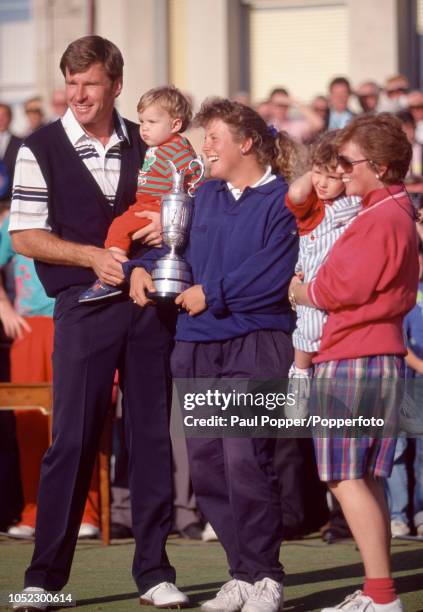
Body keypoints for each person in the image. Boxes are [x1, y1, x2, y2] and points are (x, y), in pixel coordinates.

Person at [9, 35, 187, 610]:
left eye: (90, 83)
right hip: (81, 310)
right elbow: (25, 236)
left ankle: (156, 571)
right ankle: (43, 579)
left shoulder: (151, 142)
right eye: (72, 83)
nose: (79, 94)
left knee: (152, 438)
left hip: (148, 308)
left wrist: (167, 228)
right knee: (73, 440)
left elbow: (186, 204)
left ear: (115, 84)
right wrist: (92, 256)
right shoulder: (38, 146)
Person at [129, 98, 299, 612]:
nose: (204, 147)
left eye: (214, 138)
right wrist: (143, 265)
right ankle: (241, 575)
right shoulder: (201, 195)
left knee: (246, 458)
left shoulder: (283, 200)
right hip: (196, 344)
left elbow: (275, 271)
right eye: (203, 138)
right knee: (206, 468)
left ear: (245, 143)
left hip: (256, 341)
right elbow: (174, 248)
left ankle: (266, 575)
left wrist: (214, 293)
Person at [289, 112, 419, 611]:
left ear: (382, 167)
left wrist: (302, 288)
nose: (341, 170)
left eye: (349, 161)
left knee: (345, 476)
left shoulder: (381, 215)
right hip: (371, 353)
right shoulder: (389, 211)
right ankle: (377, 591)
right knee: (364, 476)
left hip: (356, 354)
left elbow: (338, 287)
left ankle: (380, 595)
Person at [0, 214, 101, 541]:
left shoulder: (76, 204)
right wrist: (4, 308)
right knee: (29, 423)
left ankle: (86, 512)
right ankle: (34, 511)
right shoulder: (13, 220)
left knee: (79, 419)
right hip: (31, 328)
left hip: (78, 318)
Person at [79, 85, 199, 302]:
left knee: (118, 228)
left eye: (152, 122)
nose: (144, 128)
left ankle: (111, 276)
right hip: (144, 203)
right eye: (142, 121)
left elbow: (193, 180)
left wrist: (172, 217)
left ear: (176, 124)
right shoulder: (158, 146)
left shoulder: (177, 147)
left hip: (156, 205)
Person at [285, 130, 361, 400]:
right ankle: (300, 373)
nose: (324, 183)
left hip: (344, 282)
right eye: (319, 173)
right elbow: (295, 192)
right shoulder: (313, 205)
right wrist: (316, 166)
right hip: (313, 280)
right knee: (310, 327)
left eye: (333, 177)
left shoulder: (355, 200)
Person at [386, 240, 423, 537]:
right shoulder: (398, 294)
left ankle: (421, 513)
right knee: (395, 450)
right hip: (399, 382)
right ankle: (397, 515)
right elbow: (396, 339)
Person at [0, 103, 22, 201]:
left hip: (11, 200)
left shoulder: (21, 143)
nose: (1, 119)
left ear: (10, 117)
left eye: (4, 115)